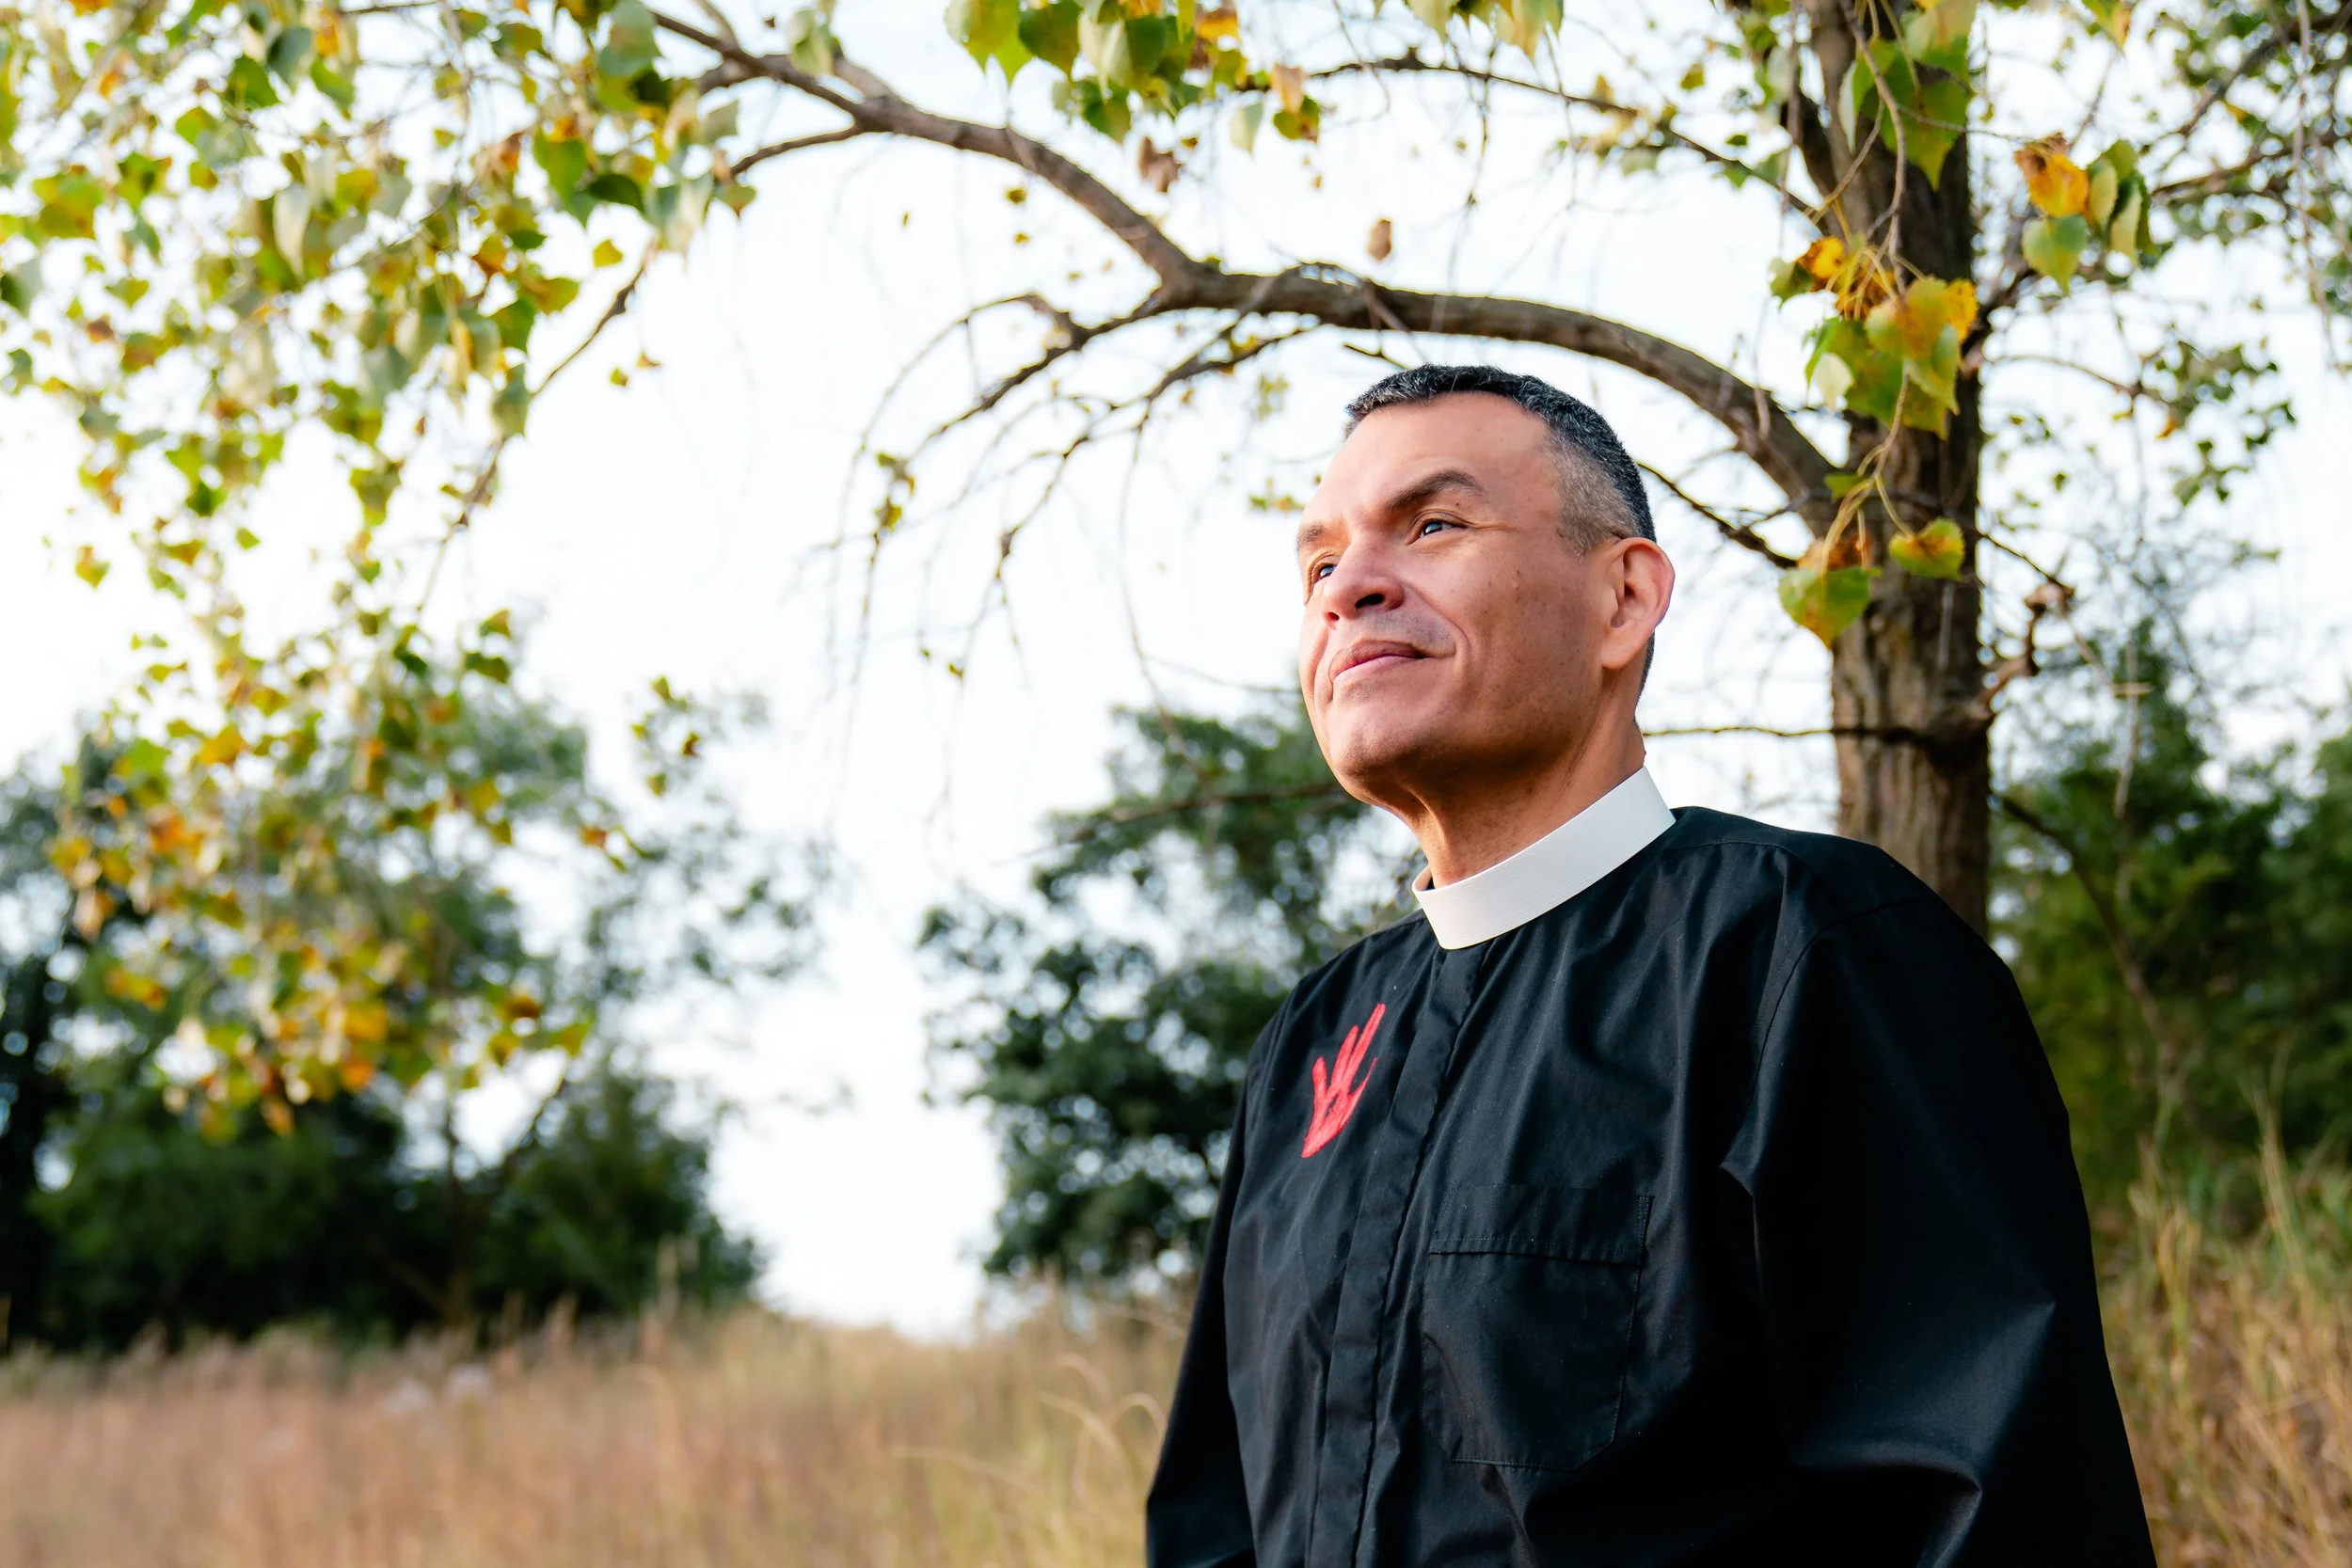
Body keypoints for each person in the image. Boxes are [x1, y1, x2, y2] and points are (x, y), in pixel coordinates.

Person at [1143, 365, 2154, 1566]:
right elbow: (1213, 1524)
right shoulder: (1315, 1044)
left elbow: (2000, 1510)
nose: (1350, 586)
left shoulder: (1803, 949)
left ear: (1622, 598)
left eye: (1433, 524)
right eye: (1318, 564)